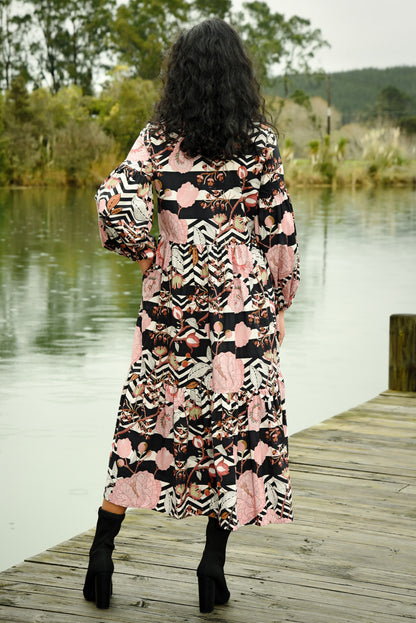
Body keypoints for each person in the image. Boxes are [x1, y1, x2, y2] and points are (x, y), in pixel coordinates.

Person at [83, 16, 300, 614]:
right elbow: (279, 229)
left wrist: (146, 250)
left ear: (180, 74)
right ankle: (212, 568)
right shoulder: (258, 141)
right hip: (241, 309)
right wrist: (281, 299)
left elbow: (113, 202)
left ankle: (101, 553)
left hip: (172, 306)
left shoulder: (159, 138)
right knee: (229, 434)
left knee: (144, 425)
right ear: (238, 74)